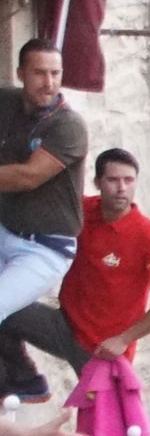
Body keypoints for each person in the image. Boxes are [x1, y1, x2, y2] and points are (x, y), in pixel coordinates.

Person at [0, 147, 150, 404]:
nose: (121, 188)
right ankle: (26, 381)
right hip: (63, 326)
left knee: (108, 429)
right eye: (113, 180)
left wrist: (123, 340)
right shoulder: (80, 213)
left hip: (103, 350)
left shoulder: (149, 237)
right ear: (98, 183)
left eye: (128, 180)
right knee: (5, 311)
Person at [0, 39, 87, 326]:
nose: (49, 83)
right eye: (39, 73)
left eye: (56, 73)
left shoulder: (69, 126)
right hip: (6, 228)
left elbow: (28, 177)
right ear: (20, 73)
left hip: (44, 250)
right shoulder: (7, 102)